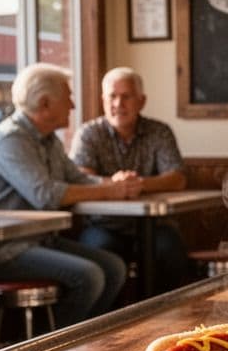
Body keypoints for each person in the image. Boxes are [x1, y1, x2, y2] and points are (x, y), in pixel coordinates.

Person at [0, 63, 137, 321]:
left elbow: (79, 179)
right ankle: (54, 347)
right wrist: (111, 190)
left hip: (41, 241)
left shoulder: (48, 138)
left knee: (114, 268)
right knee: (90, 276)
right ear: (45, 103)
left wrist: (119, 185)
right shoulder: (11, 140)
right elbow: (46, 195)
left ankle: (84, 342)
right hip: (6, 249)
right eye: (68, 97)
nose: (73, 106)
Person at [69, 67, 190, 291]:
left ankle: (164, 318)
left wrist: (140, 184)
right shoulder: (88, 134)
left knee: (170, 250)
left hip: (155, 225)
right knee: (102, 255)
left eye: (126, 96)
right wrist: (114, 185)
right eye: (112, 97)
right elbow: (80, 177)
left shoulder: (159, 131)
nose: (118, 104)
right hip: (103, 225)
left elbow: (177, 178)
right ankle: (113, 324)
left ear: (142, 101)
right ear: (102, 100)